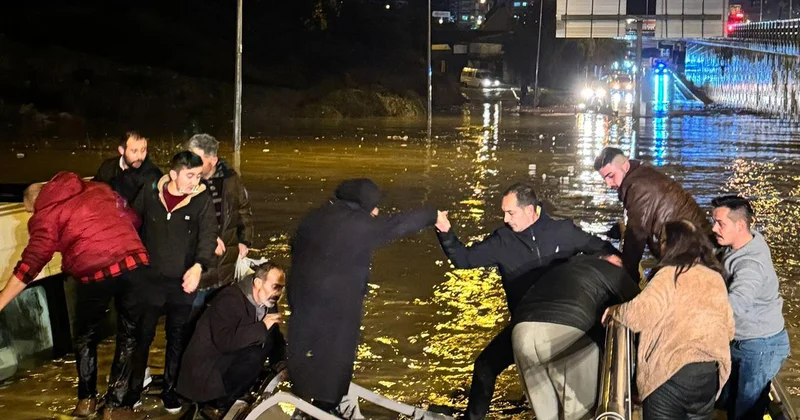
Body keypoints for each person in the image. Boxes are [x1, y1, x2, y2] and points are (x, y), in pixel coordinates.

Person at [434, 182, 620, 420]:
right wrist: (445, 231)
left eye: (510, 212)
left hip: (567, 318)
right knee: (484, 366)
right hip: (527, 322)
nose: (505, 219)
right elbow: (464, 259)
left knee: (602, 347)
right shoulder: (502, 241)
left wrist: (611, 256)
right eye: (504, 212)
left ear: (531, 210)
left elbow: (599, 247)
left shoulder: (562, 231)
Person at [287, 178, 441, 416]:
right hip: (335, 305)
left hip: (302, 299)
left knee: (308, 354)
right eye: (375, 206)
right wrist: (433, 215)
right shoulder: (355, 224)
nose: (377, 211)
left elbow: (294, 245)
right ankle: (324, 407)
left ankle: (307, 399)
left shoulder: (315, 216)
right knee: (337, 358)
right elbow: (397, 225)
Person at [0, 172, 148, 420]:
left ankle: (86, 402)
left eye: (29, 212)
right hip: (134, 264)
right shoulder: (99, 189)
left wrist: (2, 300)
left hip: (94, 274)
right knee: (129, 335)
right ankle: (114, 406)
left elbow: (31, 263)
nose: (31, 217)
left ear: (35, 203)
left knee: (84, 336)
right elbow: (132, 218)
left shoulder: (45, 215)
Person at [603, 220, 735, 420]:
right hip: (708, 376)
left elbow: (637, 315)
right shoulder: (715, 277)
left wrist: (615, 311)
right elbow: (730, 329)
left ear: (674, 245)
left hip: (670, 375)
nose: (659, 245)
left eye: (663, 240)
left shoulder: (668, 276)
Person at [128, 151, 218, 413]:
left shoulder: (201, 200)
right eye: (190, 175)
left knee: (177, 337)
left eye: (198, 176)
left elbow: (208, 235)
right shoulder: (149, 192)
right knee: (142, 336)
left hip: (182, 282)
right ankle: (133, 390)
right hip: (150, 280)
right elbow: (131, 223)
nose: (195, 181)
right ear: (174, 174)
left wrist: (199, 266)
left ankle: (170, 391)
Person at [511, 254, 637, 420]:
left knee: (545, 414)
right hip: (566, 333)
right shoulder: (612, 270)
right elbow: (641, 306)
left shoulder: (563, 269)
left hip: (522, 333)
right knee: (580, 412)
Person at [711, 195, 789, 420]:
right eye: (714, 221)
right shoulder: (746, 240)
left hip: (760, 346)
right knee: (725, 398)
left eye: (720, 223)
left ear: (740, 225)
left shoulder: (750, 265)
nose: (714, 228)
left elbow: (737, 303)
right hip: (741, 340)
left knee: (745, 411)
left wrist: (700, 312)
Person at [177, 262, 286, 419]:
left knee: (265, 342)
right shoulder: (230, 299)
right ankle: (217, 404)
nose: (278, 293)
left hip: (227, 362)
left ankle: (237, 391)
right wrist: (262, 326)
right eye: (275, 286)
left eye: (281, 288)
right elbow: (225, 342)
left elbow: (274, 335)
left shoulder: (268, 300)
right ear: (258, 283)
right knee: (254, 353)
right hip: (208, 371)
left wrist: (282, 361)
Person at [594, 147, 709, 282]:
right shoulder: (640, 173)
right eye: (604, 179)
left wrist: (627, 277)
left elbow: (637, 234)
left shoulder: (638, 187)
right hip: (696, 246)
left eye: (611, 176)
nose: (608, 184)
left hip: (690, 253)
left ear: (625, 166)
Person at [185, 133, 254, 317]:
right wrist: (209, 238)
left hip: (225, 266)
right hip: (198, 263)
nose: (192, 162)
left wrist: (244, 241)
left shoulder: (231, 180)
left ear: (213, 159)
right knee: (190, 316)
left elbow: (243, 211)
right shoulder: (184, 179)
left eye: (198, 158)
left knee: (220, 316)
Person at [93, 130, 163, 204]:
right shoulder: (108, 166)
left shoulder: (152, 176)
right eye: (134, 151)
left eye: (143, 150)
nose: (139, 156)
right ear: (121, 150)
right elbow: (94, 191)